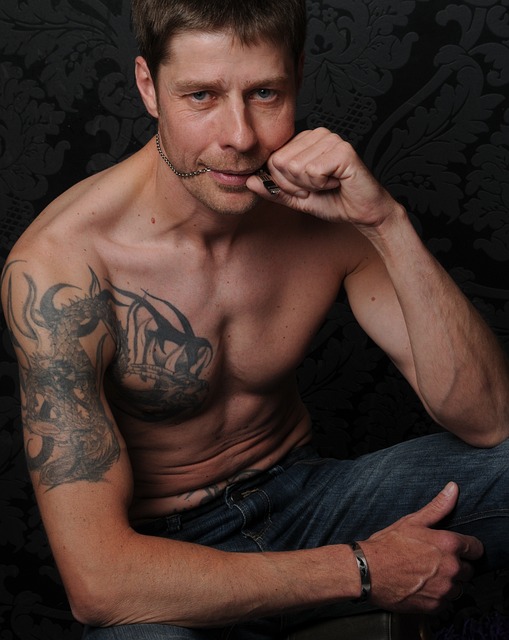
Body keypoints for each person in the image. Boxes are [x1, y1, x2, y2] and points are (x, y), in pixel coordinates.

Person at [2, 0, 508, 638]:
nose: (239, 137)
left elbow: (489, 420)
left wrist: (386, 224)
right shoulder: (61, 268)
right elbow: (99, 581)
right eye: (202, 96)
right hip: (162, 552)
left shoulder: (326, 206)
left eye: (265, 93)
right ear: (148, 87)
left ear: (297, 75)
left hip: (306, 500)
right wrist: (361, 569)